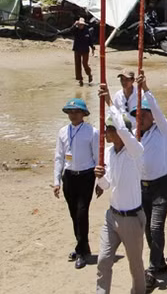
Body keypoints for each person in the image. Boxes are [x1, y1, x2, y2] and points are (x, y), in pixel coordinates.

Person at [95, 84, 146, 294]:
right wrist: (98, 178)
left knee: (135, 266)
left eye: (109, 129)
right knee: (103, 261)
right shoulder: (108, 153)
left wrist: (109, 102)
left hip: (132, 218)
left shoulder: (135, 150)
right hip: (112, 215)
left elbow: (124, 130)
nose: (106, 133)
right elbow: (107, 185)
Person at [133, 73, 167, 292]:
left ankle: (153, 268)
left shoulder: (162, 130)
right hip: (141, 188)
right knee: (147, 228)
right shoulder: (135, 134)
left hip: (161, 186)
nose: (140, 118)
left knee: (156, 226)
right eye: (137, 115)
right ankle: (160, 261)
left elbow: (156, 111)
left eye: (144, 114)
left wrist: (146, 88)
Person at [53, 98, 100, 270]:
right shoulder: (62, 132)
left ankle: (80, 251)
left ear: (83, 114)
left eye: (76, 112)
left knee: (82, 212)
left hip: (86, 176)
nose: (73, 115)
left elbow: (97, 158)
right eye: (70, 112)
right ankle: (83, 245)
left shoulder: (92, 132)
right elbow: (59, 157)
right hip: (69, 176)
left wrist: (100, 182)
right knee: (73, 213)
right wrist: (56, 181)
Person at [63, 17, 94, 86]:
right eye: (79, 24)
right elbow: (69, 31)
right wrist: (74, 25)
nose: (81, 26)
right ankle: (80, 79)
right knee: (77, 64)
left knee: (85, 64)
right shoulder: (75, 30)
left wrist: (92, 48)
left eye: (82, 25)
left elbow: (90, 41)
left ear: (84, 25)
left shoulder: (87, 31)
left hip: (85, 50)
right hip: (77, 49)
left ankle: (89, 74)